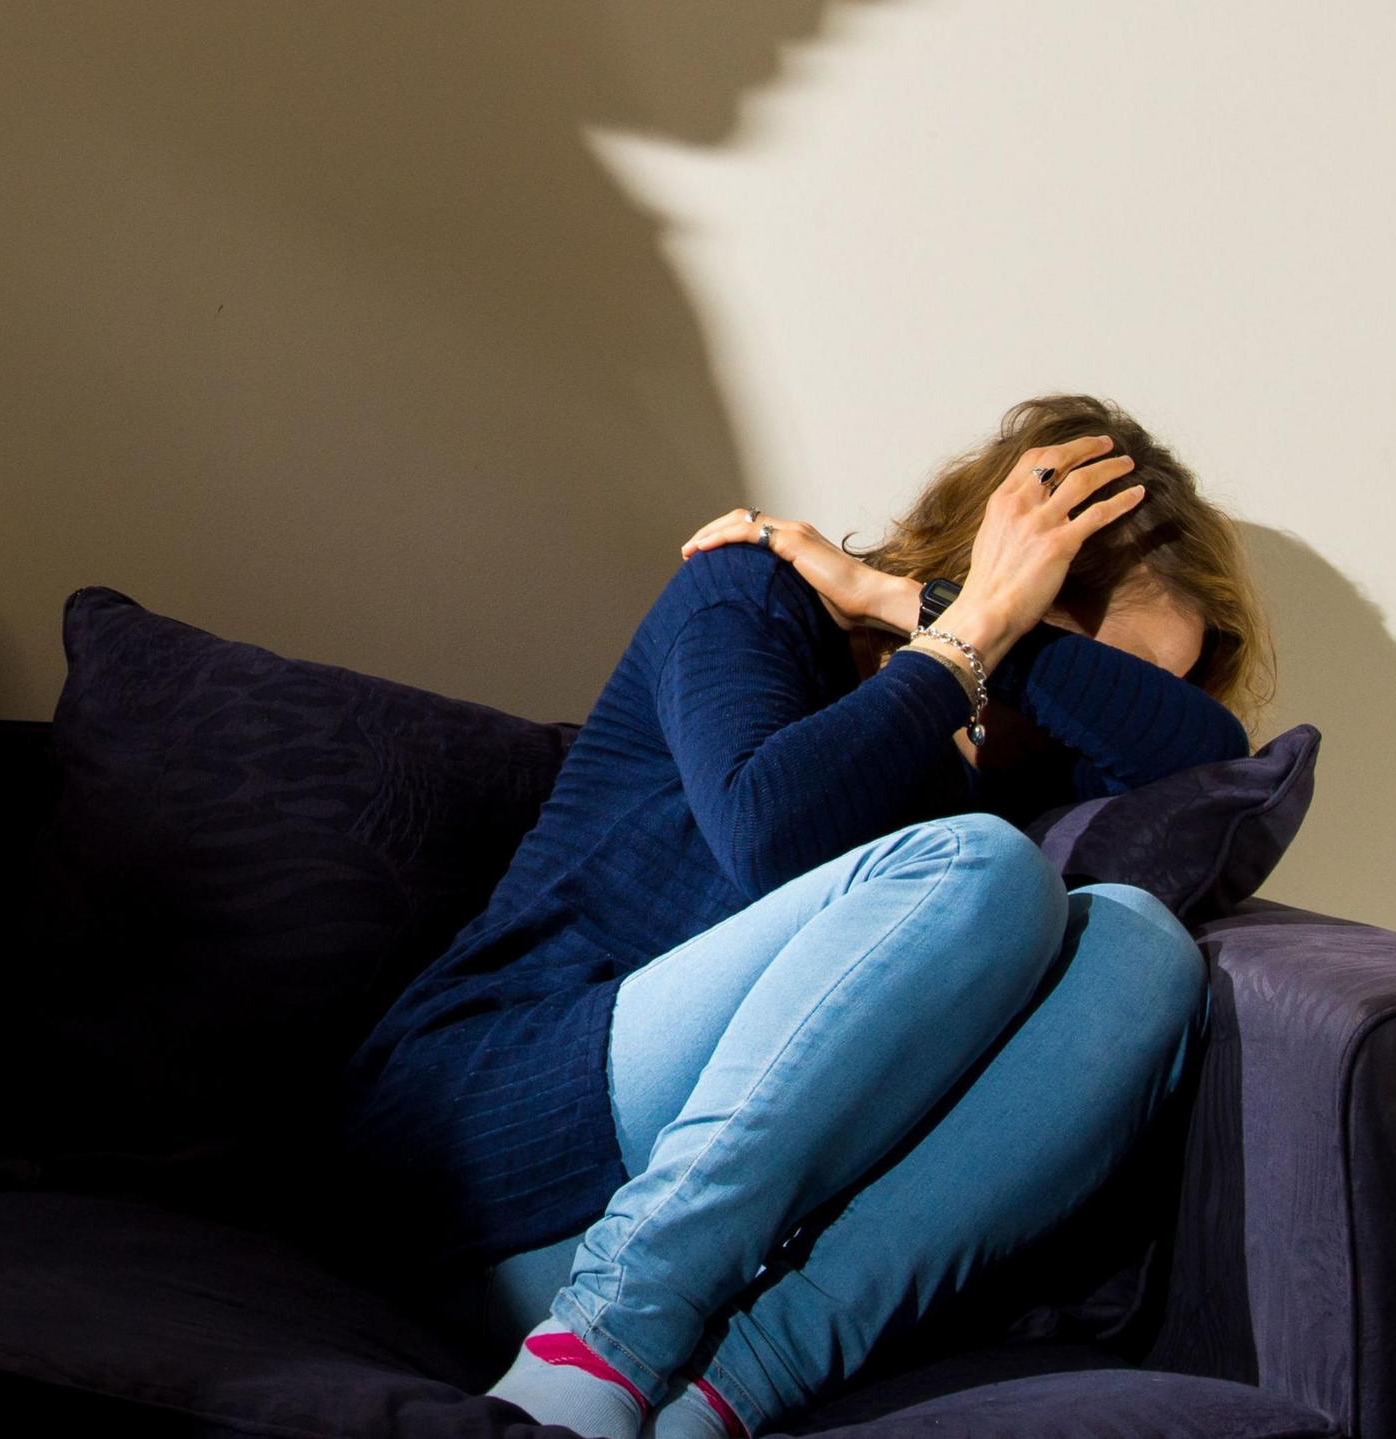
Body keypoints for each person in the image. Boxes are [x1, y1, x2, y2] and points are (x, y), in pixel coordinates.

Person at [334, 393, 1278, 1438]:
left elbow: (1205, 758)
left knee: (1141, 946)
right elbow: (769, 835)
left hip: (704, 1256)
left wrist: (896, 594)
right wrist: (972, 625)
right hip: (484, 1152)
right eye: (1085, 648)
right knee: (982, 868)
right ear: (1012, 577)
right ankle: (604, 1340)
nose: (1090, 700)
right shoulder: (748, 595)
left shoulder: (1016, 756)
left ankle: (721, 1399)